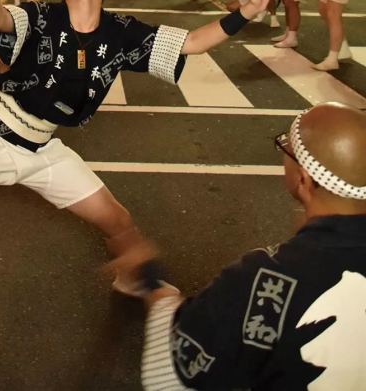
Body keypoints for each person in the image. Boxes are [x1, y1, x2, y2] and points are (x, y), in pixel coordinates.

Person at [0, 0, 280, 353]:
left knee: (119, 223)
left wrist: (248, 9)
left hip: (43, 147)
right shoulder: (39, 15)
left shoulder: (122, 32)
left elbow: (191, 43)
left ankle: (131, 277)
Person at [132, 102, 366, 390]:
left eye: (288, 149)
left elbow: (168, 374)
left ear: (303, 179)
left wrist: (156, 289)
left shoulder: (264, 278)